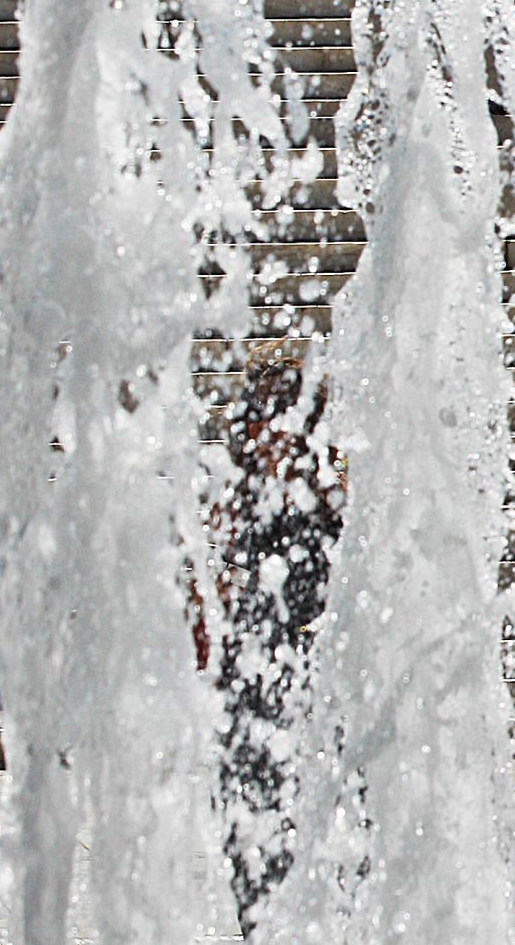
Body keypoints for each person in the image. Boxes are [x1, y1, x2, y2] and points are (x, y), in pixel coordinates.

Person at [209, 346, 345, 932]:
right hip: (253, 662)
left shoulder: (329, 483)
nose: (262, 425)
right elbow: (229, 553)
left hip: (316, 661)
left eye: (278, 408)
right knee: (249, 805)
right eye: (258, 409)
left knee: (326, 808)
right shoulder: (248, 483)